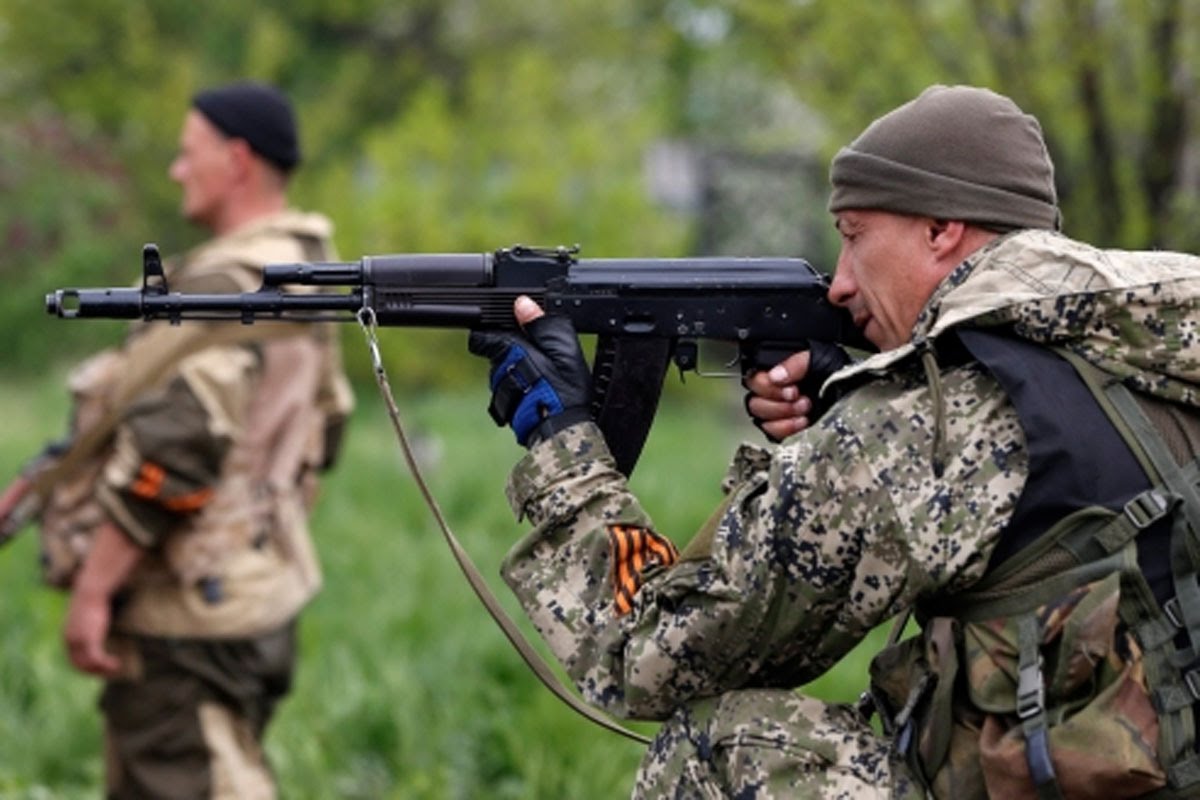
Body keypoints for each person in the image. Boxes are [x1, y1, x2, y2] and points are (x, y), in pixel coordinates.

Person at [469, 84, 1200, 798]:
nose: (841, 284)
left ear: (942, 229)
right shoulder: (1151, 351)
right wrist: (834, 424)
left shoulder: (929, 423)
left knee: (726, 744)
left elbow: (651, 658)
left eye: (854, 238)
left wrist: (563, 441)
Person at [2, 82, 353, 798]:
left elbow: (179, 444)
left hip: (185, 604)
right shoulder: (303, 269)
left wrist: (95, 589)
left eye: (186, 153)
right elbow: (330, 423)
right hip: (253, 583)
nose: (174, 170)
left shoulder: (234, 285)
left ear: (236, 158)